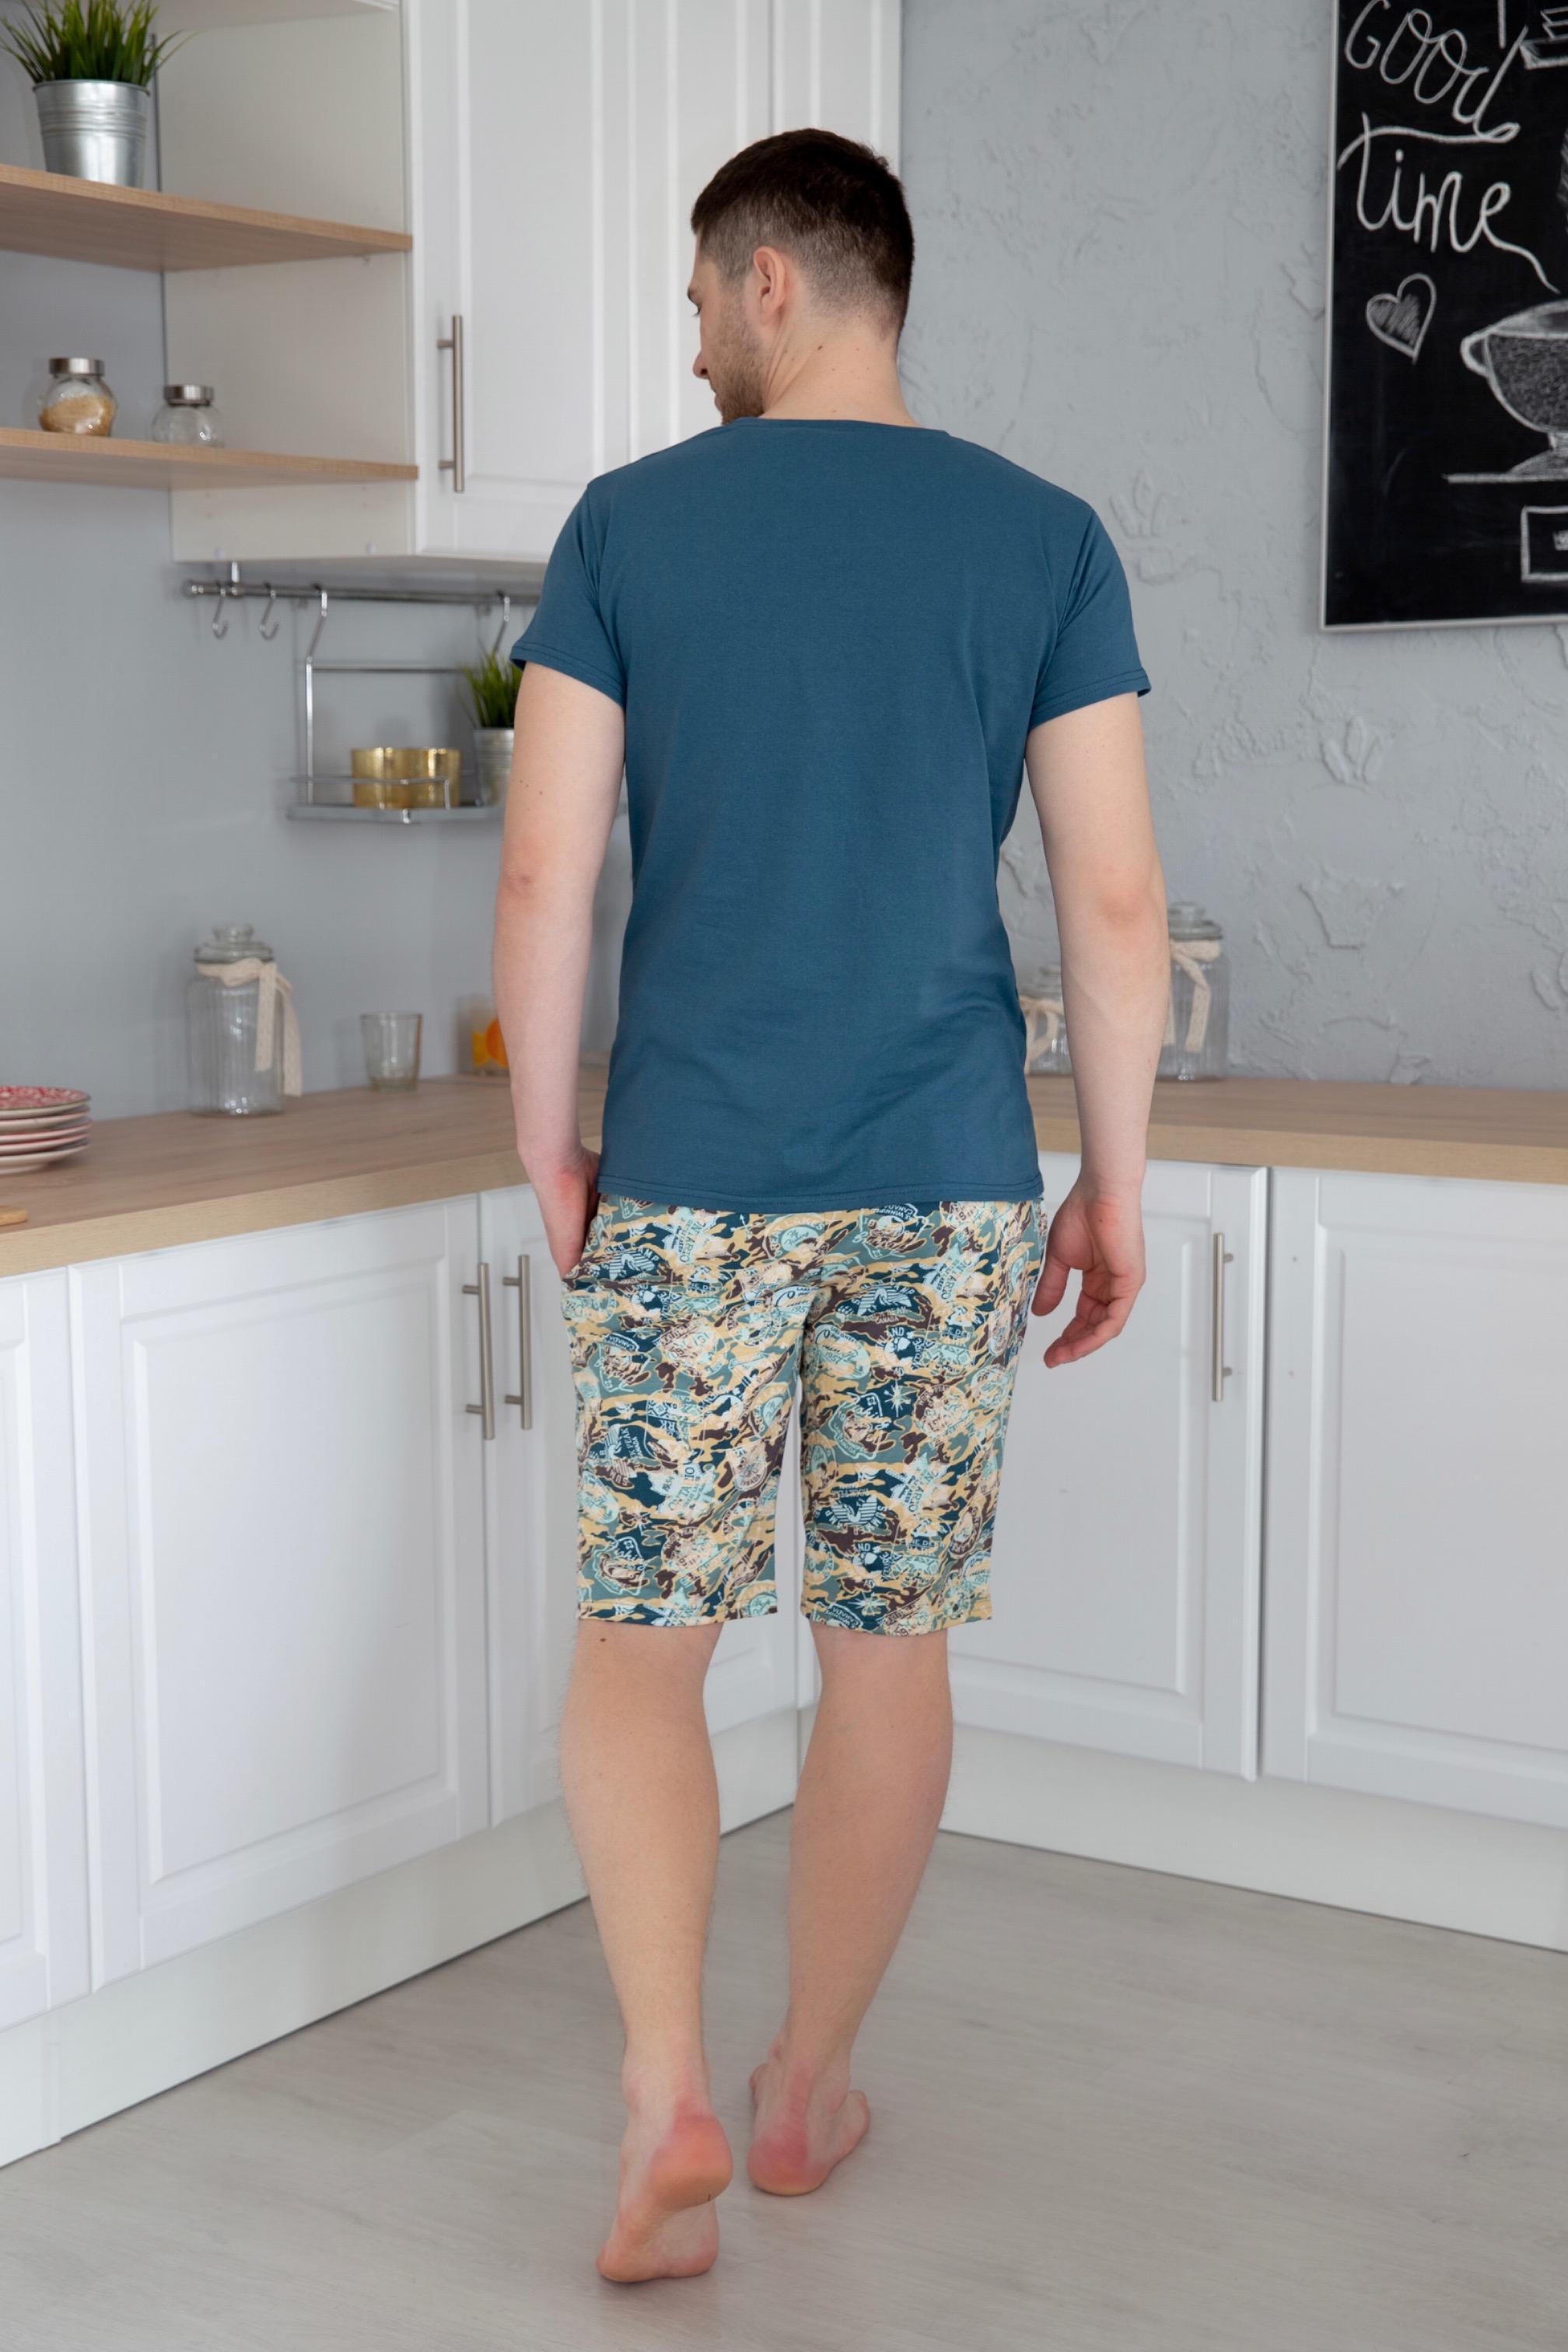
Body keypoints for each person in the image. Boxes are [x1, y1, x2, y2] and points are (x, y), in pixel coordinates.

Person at [492, 127, 1169, 2285]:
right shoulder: (1046, 541)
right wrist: (1112, 1185)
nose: (694, 340)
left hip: (692, 1182)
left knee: (647, 1649)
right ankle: (803, 2090)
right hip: (942, 1184)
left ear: (773, 281)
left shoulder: (628, 527)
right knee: (885, 1652)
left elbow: (547, 871)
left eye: (701, 298)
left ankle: (666, 2090)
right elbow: (1118, 907)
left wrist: (547, 1140)